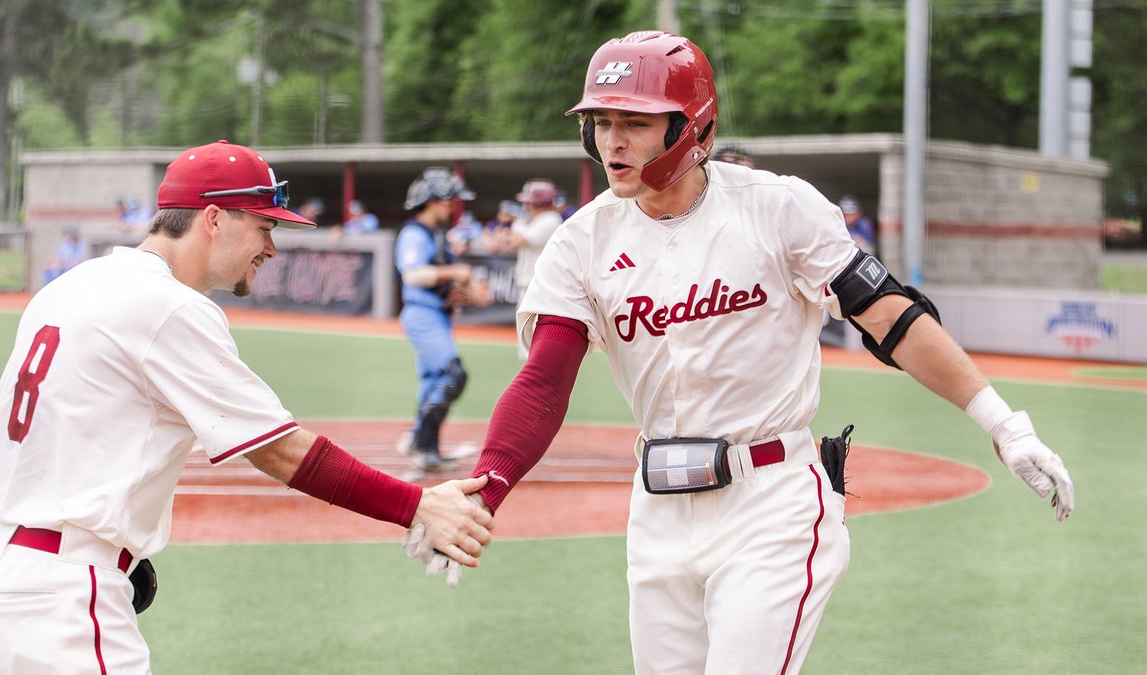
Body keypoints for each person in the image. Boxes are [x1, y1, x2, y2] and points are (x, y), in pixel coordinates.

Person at [406, 31, 1075, 673]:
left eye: (635, 122)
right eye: (600, 121)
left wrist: (1002, 422)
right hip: (657, 510)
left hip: (771, 500)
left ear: (689, 126)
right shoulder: (582, 242)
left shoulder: (777, 208)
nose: (612, 139)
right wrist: (486, 487)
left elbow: (889, 316)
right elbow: (544, 381)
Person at [0, 140, 493, 673]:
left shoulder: (71, 285)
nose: (272, 248)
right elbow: (282, 453)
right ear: (213, 219)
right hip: (59, 600)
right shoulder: (169, 306)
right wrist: (417, 507)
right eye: (265, 226)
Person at [394, 167, 492, 471]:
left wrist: (461, 292)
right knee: (452, 375)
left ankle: (423, 446)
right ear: (432, 201)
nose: (452, 207)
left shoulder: (437, 236)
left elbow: (443, 280)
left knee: (435, 380)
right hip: (422, 313)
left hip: (436, 312)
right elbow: (413, 274)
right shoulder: (414, 233)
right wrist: (455, 272)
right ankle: (421, 443)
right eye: (448, 201)